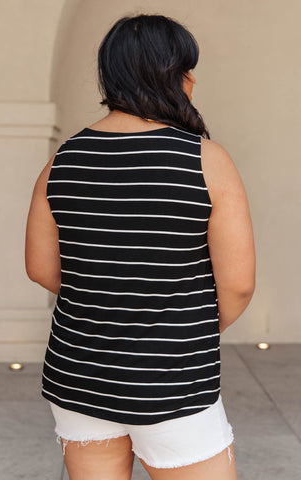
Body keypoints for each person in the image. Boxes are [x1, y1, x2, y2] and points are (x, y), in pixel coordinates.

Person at [25, 13, 255, 480]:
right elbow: (238, 287)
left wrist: (108, 296)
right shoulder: (205, 161)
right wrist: (179, 328)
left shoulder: (62, 161)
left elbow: (40, 269)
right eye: (187, 68)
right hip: (173, 381)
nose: (193, 80)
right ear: (171, 75)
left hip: (79, 374)